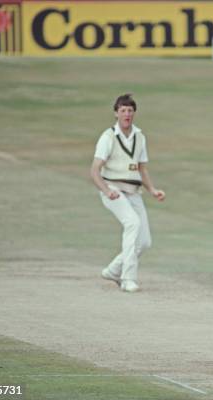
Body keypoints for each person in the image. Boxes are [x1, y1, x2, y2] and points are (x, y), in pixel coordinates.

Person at [90, 94, 165, 293]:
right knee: (132, 223)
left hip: (133, 191)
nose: (127, 114)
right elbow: (94, 170)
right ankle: (127, 278)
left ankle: (113, 270)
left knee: (145, 241)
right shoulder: (108, 137)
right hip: (112, 189)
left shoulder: (140, 137)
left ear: (134, 113)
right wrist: (106, 191)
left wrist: (152, 190)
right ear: (116, 113)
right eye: (123, 110)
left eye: (130, 110)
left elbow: (142, 169)